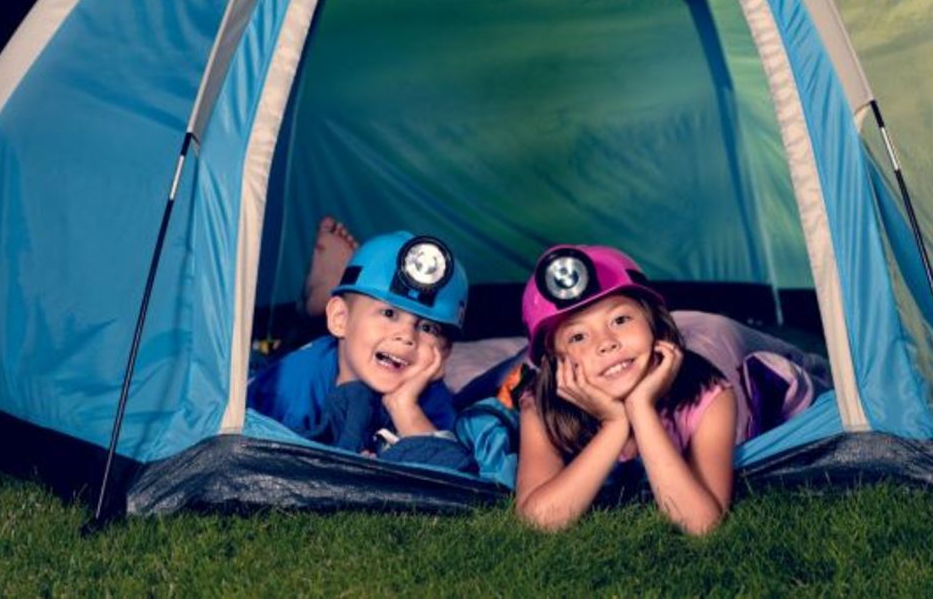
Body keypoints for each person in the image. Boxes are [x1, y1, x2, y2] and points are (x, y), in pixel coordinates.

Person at [514, 245, 741, 536]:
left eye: (620, 320)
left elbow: (702, 525)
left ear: (653, 321)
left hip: (732, 361)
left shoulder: (710, 395)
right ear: (556, 361)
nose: (606, 342)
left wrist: (641, 409)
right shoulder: (541, 404)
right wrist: (615, 424)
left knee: (721, 331)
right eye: (578, 336)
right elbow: (537, 522)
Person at [247, 227, 472, 468]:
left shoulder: (427, 394)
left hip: (342, 347)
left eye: (428, 328)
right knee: (273, 352)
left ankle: (317, 304)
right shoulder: (292, 384)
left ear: (444, 352)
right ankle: (312, 304)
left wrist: (404, 406)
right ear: (340, 319)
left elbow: (454, 471)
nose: (407, 336)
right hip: (280, 368)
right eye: (389, 313)